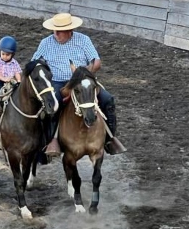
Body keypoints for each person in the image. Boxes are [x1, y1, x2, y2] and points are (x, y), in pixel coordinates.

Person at [32, 13, 126, 158]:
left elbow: (96, 62)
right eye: (54, 30)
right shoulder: (46, 43)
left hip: (82, 81)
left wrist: (87, 73)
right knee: (51, 105)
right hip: (58, 82)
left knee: (107, 99)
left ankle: (109, 139)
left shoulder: (83, 40)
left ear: (70, 31)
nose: (55, 34)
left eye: (59, 31)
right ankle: (50, 141)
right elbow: (35, 62)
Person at [0, 36, 22, 118]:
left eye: (7, 55)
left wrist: (19, 80)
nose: (5, 56)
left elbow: (17, 72)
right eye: (3, 54)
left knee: (16, 93)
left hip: (11, 81)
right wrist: (4, 79)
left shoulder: (14, 63)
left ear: (12, 54)